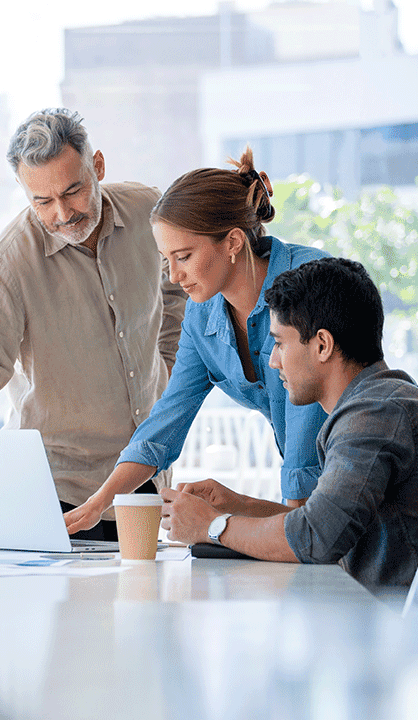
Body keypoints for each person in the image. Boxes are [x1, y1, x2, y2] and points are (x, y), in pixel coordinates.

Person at [0, 108, 186, 540]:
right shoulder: (11, 262)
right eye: (42, 201)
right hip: (59, 494)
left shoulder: (149, 210)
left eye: (73, 191)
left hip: (145, 480)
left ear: (98, 166)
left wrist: (167, 362)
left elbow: (177, 288)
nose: (62, 213)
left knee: (145, 586)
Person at [64, 148, 330, 535]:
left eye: (184, 256)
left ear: (233, 242)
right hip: (318, 505)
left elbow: (305, 431)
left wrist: (258, 523)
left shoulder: (308, 281)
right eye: (166, 260)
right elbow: (166, 421)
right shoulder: (202, 315)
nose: (174, 276)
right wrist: (98, 503)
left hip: (364, 480)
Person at [157, 258, 418, 593]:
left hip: (392, 622)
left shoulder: (374, 414)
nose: (273, 361)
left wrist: (212, 526)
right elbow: (324, 523)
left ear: (322, 345)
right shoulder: (376, 403)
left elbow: (317, 537)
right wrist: (238, 506)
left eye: (280, 343)